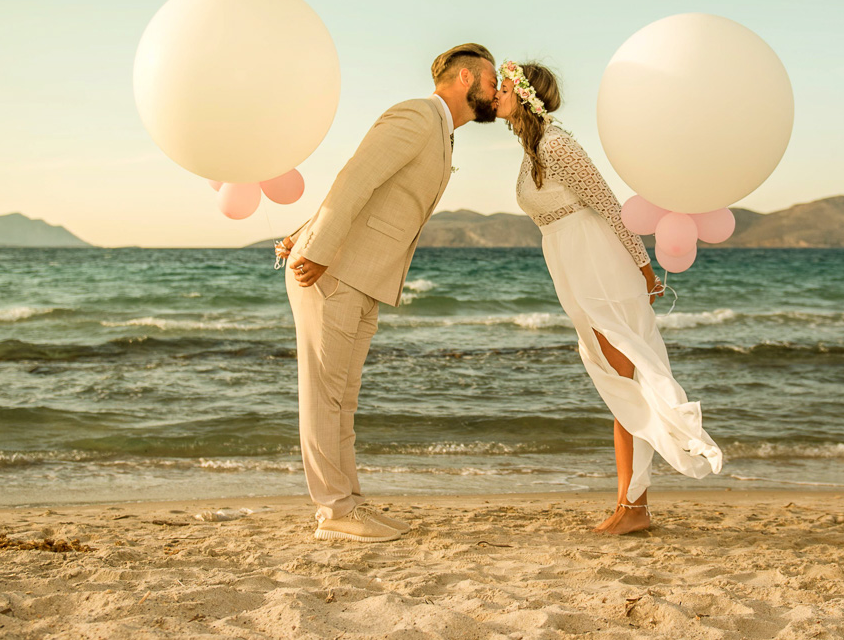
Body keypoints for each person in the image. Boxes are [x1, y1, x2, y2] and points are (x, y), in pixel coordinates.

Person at [275, 44, 498, 542]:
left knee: (343, 400)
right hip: (333, 271)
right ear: (465, 77)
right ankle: (333, 511)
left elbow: (374, 189)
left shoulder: (441, 131)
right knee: (324, 395)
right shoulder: (418, 115)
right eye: (491, 78)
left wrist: (301, 231)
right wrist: (319, 247)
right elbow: (355, 176)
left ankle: (350, 504)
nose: (496, 88)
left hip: (362, 275)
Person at [497, 60, 722, 534]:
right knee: (614, 383)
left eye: (502, 87)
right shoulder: (533, 146)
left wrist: (643, 268)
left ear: (524, 94)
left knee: (623, 382)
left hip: (599, 265)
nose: (494, 94)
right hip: (573, 265)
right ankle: (629, 504)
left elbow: (608, 205)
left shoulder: (558, 145)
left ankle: (634, 508)